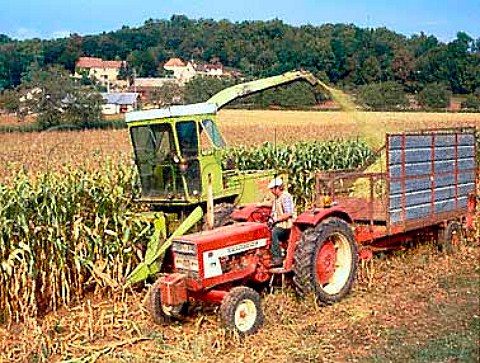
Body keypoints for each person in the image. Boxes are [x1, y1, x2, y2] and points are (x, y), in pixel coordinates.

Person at [258, 177, 296, 267]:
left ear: (277, 188)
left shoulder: (286, 197)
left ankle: (277, 258)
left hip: (287, 226)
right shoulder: (277, 198)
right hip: (279, 224)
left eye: (272, 189)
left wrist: (275, 220)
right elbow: (272, 203)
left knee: (274, 233)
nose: (271, 191)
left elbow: (288, 213)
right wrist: (260, 204)